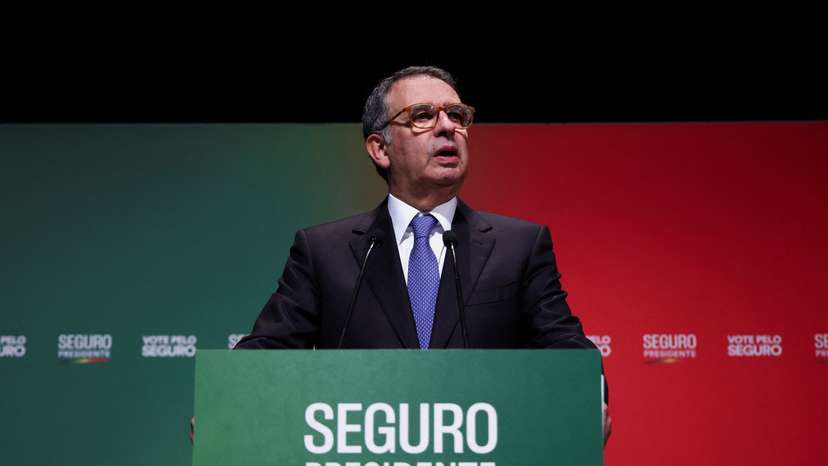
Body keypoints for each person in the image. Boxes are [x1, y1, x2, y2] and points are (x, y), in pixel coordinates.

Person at [202, 66, 610, 443]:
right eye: (423, 116)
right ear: (380, 148)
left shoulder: (519, 245)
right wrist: (223, 404)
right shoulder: (324, 250)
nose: (448, 127)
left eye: (457, 115)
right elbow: (267, 351)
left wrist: (591, 397)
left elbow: (564, 345)